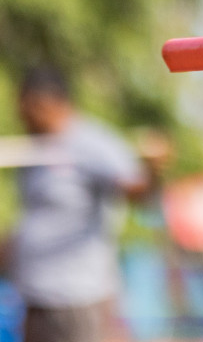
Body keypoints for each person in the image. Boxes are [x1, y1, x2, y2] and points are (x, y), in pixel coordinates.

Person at [1, 67, 165, 342]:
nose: (22, 118)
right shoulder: (34, 148)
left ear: (45, 102)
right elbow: (34, 220)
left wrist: (153, 172)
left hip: (79, 302)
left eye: (26, 109)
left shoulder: (93, 143)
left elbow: (137, 192)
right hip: (35, 300)